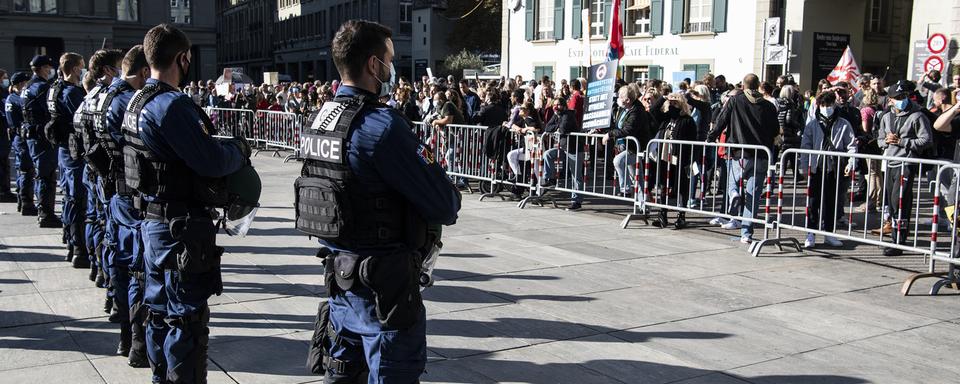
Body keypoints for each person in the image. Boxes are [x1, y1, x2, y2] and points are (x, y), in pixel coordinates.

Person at [295, 20, 460, 383]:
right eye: (389, 59)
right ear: (374, 65)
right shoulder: (381, 126)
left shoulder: (319, 120)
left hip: (341, 281)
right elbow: (445, 203)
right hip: (384, 290)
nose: (392, 67)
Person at [128, 24, 250, 383]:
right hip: (178, 227)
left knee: (159, 311)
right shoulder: (172, 105)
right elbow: (210, 160)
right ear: (183, 58)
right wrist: (238, 151)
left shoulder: (136, 102)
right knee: (186, 319)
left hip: (152, 222)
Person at [96, 45, 151, 368]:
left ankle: (125, 336)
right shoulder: (126, 102)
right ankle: (137, 343)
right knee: (137, 271)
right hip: (130, 195)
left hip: (113, 193)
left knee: (119, 263)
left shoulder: (100, 96)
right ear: (144, 71)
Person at [707, 74, 778, 244]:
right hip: (761, 154)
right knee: (753, 195)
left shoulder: (735, 100)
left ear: (743, 86)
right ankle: (746, 233)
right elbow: (776, 130)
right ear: (759, 85)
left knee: (732, 182)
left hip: (739, 153)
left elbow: (721, 121)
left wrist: (711, 137)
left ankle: (734, 194)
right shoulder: (768, 105)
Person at [877, 80, 933, 256]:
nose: (902, 99)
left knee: (899, 201)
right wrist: (885, 141)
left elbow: (926, 140)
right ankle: (895, 234)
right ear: (891, 100)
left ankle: (899, 240)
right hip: (890, 163)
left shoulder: (918, 116)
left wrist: (902, 142)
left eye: (904, 96)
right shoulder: (886, 117)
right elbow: (878, 140)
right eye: (898, 97)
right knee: (891, 203)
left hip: (906, 164)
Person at [799, 92, 856, 248]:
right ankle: (810, 233)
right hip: (816, 167)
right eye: (823, 105)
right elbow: (805, 146)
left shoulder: (844, 123)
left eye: (829, 104)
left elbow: (851, 146)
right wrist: (804, 167)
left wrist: (851, 164)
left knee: (831, 202)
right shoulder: (812, 124)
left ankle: (829, 233)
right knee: (813, 201)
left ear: (834, 104)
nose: (826, 108)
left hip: (834, 167)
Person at [21, 55, 63, 228]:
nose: (50, 71)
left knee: (41, 173)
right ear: (43, 68)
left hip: (32, 135)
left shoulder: (28, 86)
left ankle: (43, 211)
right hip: (42, 137)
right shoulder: (42, 87)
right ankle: (46, 214)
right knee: (46, 175)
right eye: (48, 68)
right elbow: (51, 110)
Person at [651, 93, 698, 228]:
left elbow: (693, 143)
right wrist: (664, 98)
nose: (672, 105)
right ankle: (662, 215)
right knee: (664, 186)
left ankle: (681, 216)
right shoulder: (666, 118)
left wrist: (690, 161)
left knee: (681, 188)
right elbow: (653, 111)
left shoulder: (688, 120)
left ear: (682, 104)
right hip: (665, 158)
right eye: (670, 103)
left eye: (675, 103)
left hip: (681, 159)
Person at [602, 85, 649, 198]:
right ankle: (644, 207)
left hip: (635, 147)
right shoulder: (624, 109)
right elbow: (617, 124)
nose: (618, 98)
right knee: (637, 178)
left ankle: (625, 189)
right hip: (625, 146)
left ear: (628, 100)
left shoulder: (637, 111)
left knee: (618, 161)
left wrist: (610, 134)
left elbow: (628, 130)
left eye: (620, 97)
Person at [540, 98, 585, 210]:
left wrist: (557, 127)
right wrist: (557, 127)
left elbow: (563, 129)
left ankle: (576, 201)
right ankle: (550, 179)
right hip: (564, 148)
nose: (556, 107)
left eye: (559, 104)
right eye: (554, 105)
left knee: (576, 176)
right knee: (548, 154)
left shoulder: (568, 114)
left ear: (564, 105)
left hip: (574, 149)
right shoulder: (557, 115)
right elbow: (547, 127)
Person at [6, 72, 36, 213]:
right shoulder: (16, 99)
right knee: (27, 170)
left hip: (17, 136)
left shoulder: (10, 98)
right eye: (26, 82)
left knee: (21, 170)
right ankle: (26, 203)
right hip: (22, 137)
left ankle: (21, 200)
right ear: (20, 84)